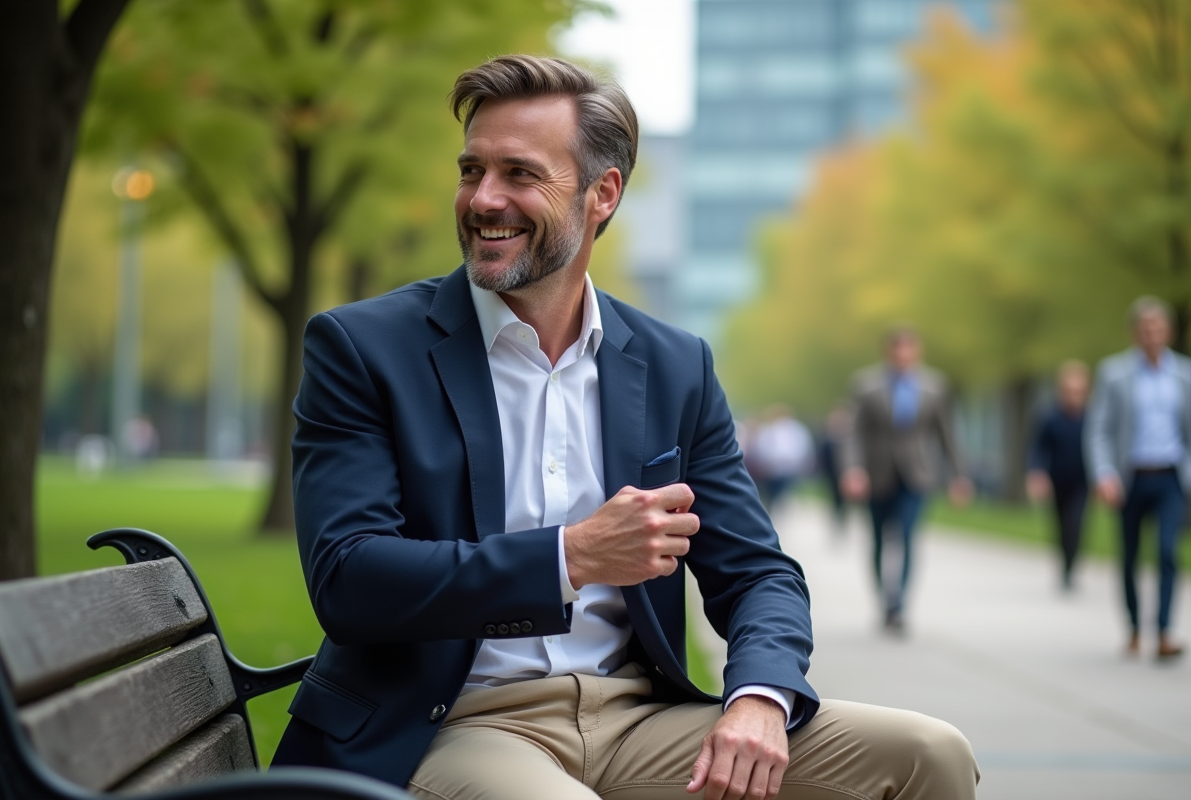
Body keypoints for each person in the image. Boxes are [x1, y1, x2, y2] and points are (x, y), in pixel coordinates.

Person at [273, 55, 978, 799]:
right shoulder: (363, 348)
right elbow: (348, 579)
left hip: (639, 719)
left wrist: (761, 698)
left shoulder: (676, 366)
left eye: (519, 173)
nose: (483, 199)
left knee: (929, 754)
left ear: (601, 194)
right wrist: (569, 557)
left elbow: (758, 573)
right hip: (453, 723)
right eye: (471, 170)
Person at [1085, 296, 1191, 661]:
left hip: (1170, 475)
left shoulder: (1187, 374)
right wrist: (1104, 474)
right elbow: (1098, 429)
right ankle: (1135, 627)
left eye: (1158, 328)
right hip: (1130, 477)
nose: (1152, 334)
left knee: (1167, 552)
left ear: (1169, 331)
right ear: (1135, 333)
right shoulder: (1114, 373)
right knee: (1130, 555)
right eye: (1145, 328)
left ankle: (1164, 631)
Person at [840, 327, 973, 633]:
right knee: (877, 540)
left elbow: (947, 434)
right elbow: (854, 432)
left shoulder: (934, 386)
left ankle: (898, 604)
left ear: (917, 352)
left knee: (908, 537)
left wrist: (959, 475)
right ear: (888, 352)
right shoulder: (866, 385)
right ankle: (883, 599)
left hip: (917, 474)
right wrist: (853, 469)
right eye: (897, 350)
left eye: (908, 350)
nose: (903, 356)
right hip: (877, 474)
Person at [1026, 361, 1091, 591]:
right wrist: (1036, 473)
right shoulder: (1050, 417)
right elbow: (1038, 448)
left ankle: (1071, 568)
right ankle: (1064, 564)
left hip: (1082, 482)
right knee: (1061, 527)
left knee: (1076, 524)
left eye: (1078, 391)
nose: (1073, 396)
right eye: (1069, 391)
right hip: (1057, 481)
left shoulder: (1091, 418)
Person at [748, 404, 813, 515]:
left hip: (789, 467)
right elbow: (762, 448)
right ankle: (771, 507)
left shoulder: (796, 430)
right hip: (771, 467)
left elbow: (802, 446)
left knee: (783, 489)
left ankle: (780, 506)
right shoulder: (768, 430)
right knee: (771, 491)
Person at [817, 406, 851, 532]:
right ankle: (836, 517)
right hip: (831, 474)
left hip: (843, 474)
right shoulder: (827, 440)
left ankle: (842, 518)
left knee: (843, 499)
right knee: (834, 497)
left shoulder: (847, 440)